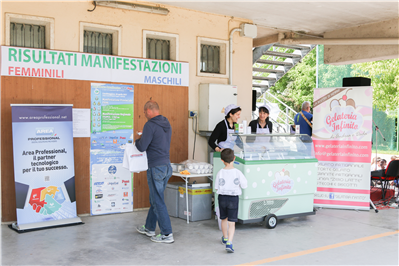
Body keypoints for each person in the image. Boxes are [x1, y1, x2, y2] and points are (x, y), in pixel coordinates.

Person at [135, 100, 174, 244]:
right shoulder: (166, 123)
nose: (144, 114)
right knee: (155, 199)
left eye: (145, 112)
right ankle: (150, 228)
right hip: (166, 166)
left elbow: (142, 147)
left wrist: (137, 140)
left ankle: (167, 234)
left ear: (149, 110)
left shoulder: (150, 125)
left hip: (155, 167)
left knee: (158, 201)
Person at [215, 148, 247, 253]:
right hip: (233, 198)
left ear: (221, 160)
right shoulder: (238, 173)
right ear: (234, 158)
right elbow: (244, 185)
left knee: (223, 219)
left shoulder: (220, 172)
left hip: (222, 197)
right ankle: (229, 242)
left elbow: (216, 187)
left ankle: (224, 238)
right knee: (232, 222)